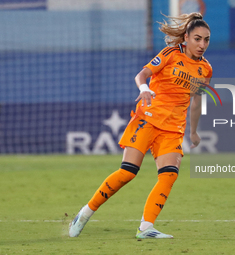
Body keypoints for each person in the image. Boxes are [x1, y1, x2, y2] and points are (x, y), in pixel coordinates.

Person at [69, 12, 212, 239]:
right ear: (186, 37)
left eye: (206, 40)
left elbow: (196, 103)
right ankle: (85, 213)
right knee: (127, 172)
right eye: (197, 38)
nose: (202, 44)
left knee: (169, 175)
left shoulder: (205, 69)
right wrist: (144, 88)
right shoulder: (169, 54)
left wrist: (193, 132)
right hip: (148, 120)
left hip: (173, 129)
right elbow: (142, 74)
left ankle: (146, 228)